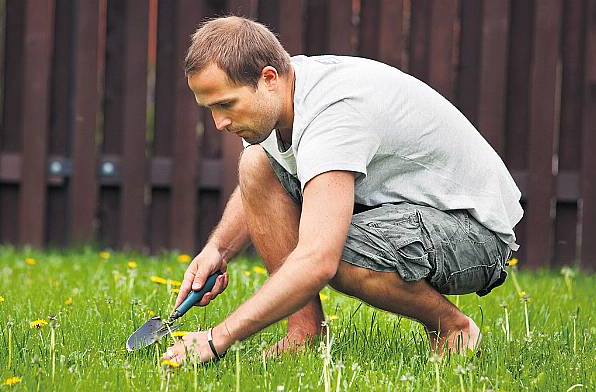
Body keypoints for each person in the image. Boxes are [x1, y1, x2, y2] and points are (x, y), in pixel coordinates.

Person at [162, 16, 522, 364]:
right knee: (256, 164)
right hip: (402, 211)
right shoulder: (282, 98)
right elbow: (263, 180)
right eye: (210, 108)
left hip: (474, 232)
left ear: (268, 78)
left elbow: (318, 260)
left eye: (226, 104)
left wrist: (216, 339)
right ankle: (304, 333)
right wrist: (218, 250)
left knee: (339, 253)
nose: (219, 123)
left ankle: (453, 329)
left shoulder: (333, 115)